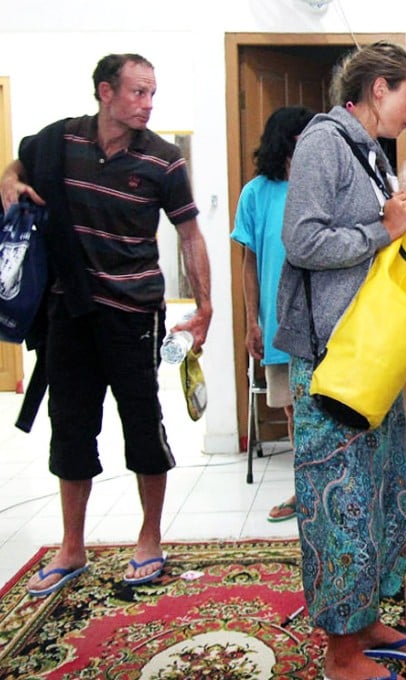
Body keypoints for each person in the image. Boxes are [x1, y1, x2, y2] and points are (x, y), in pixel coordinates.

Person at [0, 53, 213, 594]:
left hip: (134, 314)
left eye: (152, 93)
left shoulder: (163, 161)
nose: (147, 104)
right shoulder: (60, 142)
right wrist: (8, 181)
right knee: (71, 427)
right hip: (70, 313)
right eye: (138, 92)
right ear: (105, 92)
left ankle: (149, 539)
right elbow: (19, 165)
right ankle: (72, 548)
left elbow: (190, 235)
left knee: (143, 425)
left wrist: (204, 308)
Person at [273, 42, 406, 680]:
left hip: (373, 356)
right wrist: (383, 231)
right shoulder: (322, 142)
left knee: (375, 494)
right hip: (334, 358)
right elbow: (303, 241)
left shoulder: (369, 151)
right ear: (377, 90)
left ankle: (364, 621)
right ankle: (342, 654)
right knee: (337, 501)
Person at [230, 105, 315, 523]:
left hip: (322, 325)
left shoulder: (320, 185)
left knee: (322, 407)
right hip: (278, 324)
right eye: (304, 137)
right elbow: (249, 262)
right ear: (287, 140)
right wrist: (252, 322)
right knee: (291, 409)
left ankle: (319, 488)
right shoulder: (256, 193)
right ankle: (304, 490)